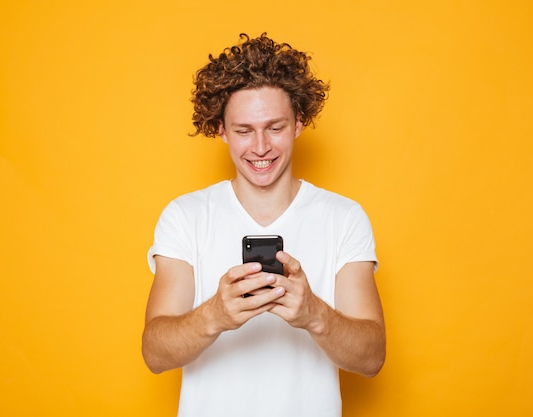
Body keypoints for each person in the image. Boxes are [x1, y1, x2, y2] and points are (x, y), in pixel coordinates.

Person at [142, 33, 385, 417]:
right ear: (220, 129)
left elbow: (372, 358)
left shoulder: (344, 217)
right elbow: (155, 354)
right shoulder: (185, 216)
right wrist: (214, 316)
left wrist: (315, 314)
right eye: (243, 131)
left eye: (275, 127)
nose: (260, 147)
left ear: (299, 123)